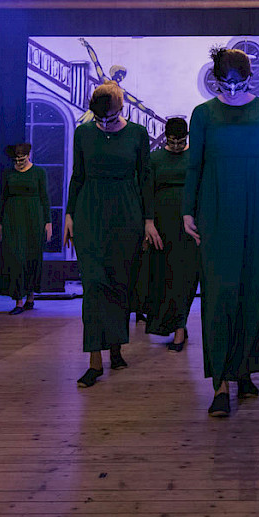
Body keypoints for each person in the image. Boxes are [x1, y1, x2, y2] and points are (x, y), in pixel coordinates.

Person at [183, 47, 259, 417]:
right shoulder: (203, 114)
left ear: (250, 78)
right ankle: (220, 384)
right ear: (215, 79)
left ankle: (244, 370)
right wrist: (187, 209)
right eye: (224, 84)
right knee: (220, 294)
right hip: (216, 211)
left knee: (254, 291)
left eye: (238, 84)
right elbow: (194, 165)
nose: (231, 91)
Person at [65, 82, 160, 388]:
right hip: (90, 212)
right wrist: (69, 214)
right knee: (94, 285)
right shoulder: (83, 133)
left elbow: (145, 177)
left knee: (121, 283)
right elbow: (77, 175)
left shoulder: (137, 134)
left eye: (109, 117)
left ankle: (116, 347)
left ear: (122, 108)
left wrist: (148, 220)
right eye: (99, 118)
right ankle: (95, 360)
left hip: (126, 213)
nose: (104, 123)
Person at [142, 117, 199, 351]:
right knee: (165, 277)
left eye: (181, 142)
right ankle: (176, 324)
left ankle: (179, 328)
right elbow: (146, 192)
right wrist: (148, 223)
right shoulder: (155, 158)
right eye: (172, 141)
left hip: (189, 223)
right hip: (162, 225)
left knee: (186, 276)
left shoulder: (195, 157)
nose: (176, 146)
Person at [0, 143, 52, 315]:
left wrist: (48, 222)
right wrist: (0, 222)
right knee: (16, 257)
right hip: (13, 217)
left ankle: (30, 297)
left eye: (22, 159)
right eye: (16, 160)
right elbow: (3, 197)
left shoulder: (39, 172)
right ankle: (18, 300)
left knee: (32, 255)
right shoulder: (8, 173)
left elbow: (44, 197)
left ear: (29, 155)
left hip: (34, 217)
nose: (19, 163)